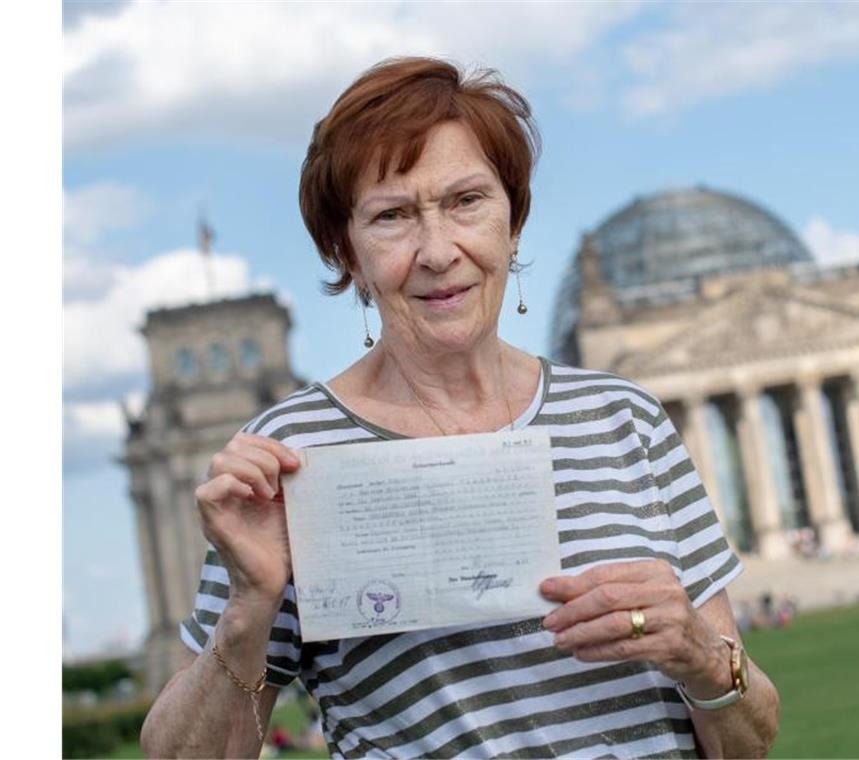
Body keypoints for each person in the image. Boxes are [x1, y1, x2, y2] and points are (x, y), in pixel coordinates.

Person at [139, 56, 780, 758]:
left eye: (466, 201)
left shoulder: (624, 418)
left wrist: (698, 653)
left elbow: (747, 744)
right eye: (392, 216)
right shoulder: (294, 452)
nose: (438, 250)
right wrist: (247, 609)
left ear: (513, 222)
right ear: (345, 251)